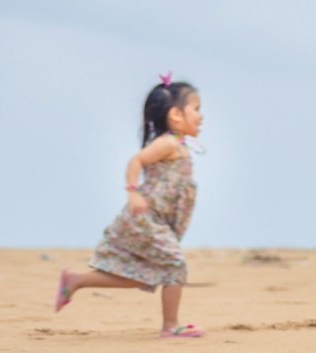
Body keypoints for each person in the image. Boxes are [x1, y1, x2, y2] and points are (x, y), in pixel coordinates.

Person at [54, 74, 206, 338]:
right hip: (146, 218)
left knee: (142, 275)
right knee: (175, 264)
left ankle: (76, 280)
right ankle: (170, 326)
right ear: (176, 116)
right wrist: (132, 192)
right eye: (196, 109)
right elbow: (135, 162)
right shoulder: (167, 143)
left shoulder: (181, 146)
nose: (201, 116)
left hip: (157, 221)